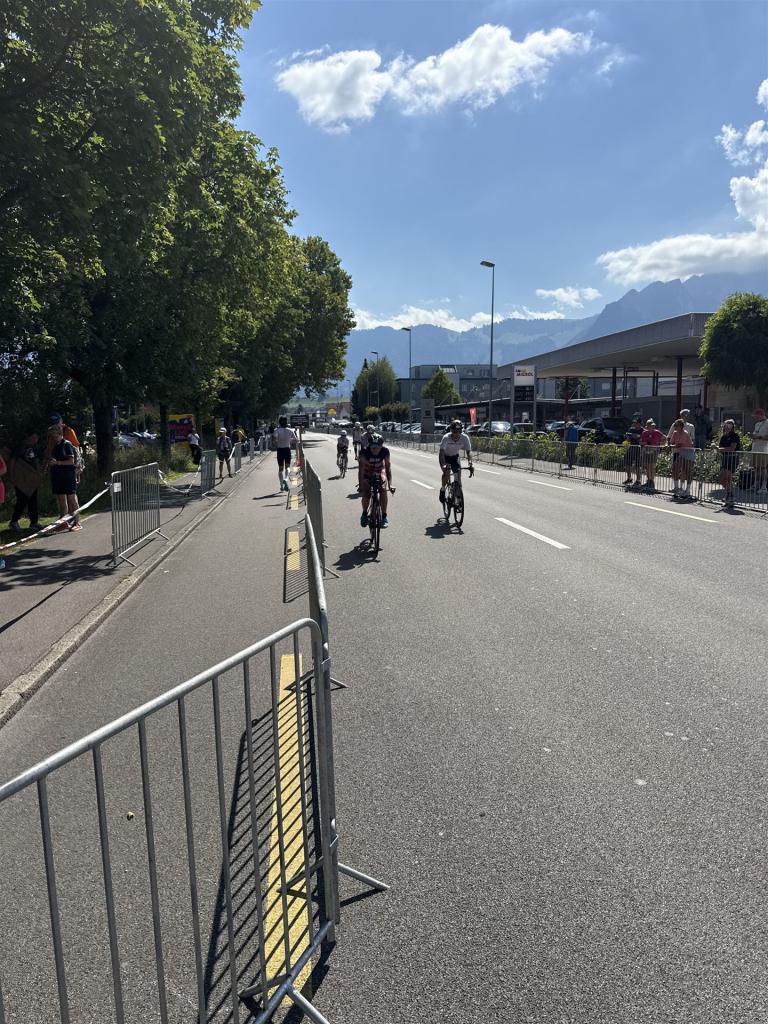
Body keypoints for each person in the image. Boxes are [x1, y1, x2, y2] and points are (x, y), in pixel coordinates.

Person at [47, 424, 81, 530]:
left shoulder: (66, 444)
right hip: (57, 476)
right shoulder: (54, 446)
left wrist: (57, 462)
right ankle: (63, 522)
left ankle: (77, 523)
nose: (52, 438)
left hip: (68, 476)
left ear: (59, 434)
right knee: (61, 501)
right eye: (51, 436)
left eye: (54, 436)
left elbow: (71, 461)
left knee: (72, 499)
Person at [9, 429, 43, 530]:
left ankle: (34, 522)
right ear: (29, 437)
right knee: (22, 500)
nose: (36, 439)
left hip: (32, 478)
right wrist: (12, 476)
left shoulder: (35, 448)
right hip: (22, 479)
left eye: (37, 438)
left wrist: (38, 474)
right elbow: (12, 461)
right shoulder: (20, 447)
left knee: (33, 500)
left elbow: (35, 461)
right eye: (34, 437)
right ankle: (14, 522)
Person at [360, 433, 392, 528]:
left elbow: (388, 468)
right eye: (372, 447)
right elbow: (361, 470)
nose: (375, 449)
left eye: (377, 447)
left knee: (383, 490)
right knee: (366, 492)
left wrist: (390, 485)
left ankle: (384, 516)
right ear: (369, 445)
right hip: (367, 471)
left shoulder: (385, 451)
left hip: (379, 471)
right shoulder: (364, 451)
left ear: (381, 446)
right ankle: (364, 514)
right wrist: (361, 485)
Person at [438, 420, 474, 503]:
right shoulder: (446, 437)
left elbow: (469, 452)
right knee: (447, 473)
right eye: (454, 432)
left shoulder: (464, 438)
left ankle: (458, 498)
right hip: (445, 457)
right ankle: (442, 489)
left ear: (461, 431)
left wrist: (470, 463)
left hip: (455, 457)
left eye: (459, 431)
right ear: (451, 431)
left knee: (458, 477)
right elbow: (441, 452)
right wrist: (443, 464)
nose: (456, 434)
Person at [46, 413, 83, 483]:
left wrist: (78, 467)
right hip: (57, 469)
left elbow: (76, 450)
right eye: (53, 424)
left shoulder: (68, 431)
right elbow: (49, 450)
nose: (55, 426)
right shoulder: (50, 433)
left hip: (69, 467)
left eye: (57, 423)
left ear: (61, 421)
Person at [667, 417, 695, 501]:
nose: (675, 427)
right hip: (682, 452)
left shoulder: (685, 433)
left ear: (681, 426)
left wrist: (669, 447)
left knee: (687, 471)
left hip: (689, 452)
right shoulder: (675, 433)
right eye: (675, 425)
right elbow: (671, 442)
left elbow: (679, 445)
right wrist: (669, 445)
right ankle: (677, 488)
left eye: (677, 425)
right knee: (675, 468)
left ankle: (687, 490)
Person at [718, 419, 741, 509]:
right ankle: (730, 495)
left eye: (730, 425)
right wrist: (718, 449)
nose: (728, 426)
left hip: (732, 458)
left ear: (732, 426)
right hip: (725, 458)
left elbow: (732, 448)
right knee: (722, 479)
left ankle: (730, 498)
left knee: (727, 477)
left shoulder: (735, 436)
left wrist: (721, 449)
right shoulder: (723, 437)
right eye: (726, 425)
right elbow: (720, 448)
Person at [640, 418, 665, 493]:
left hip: (654, 451)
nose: (652, 427)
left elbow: (665, 438)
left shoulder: (657, 432)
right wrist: (645, 443)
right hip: (646, 451)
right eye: (651, 425)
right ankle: (649, 481)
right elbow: (640, 442)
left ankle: (652, 481)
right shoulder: (644, 433)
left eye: (653, 425)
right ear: (647, 426)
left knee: (652, 466)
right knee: (647, 466)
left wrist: (660, 444)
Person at [274, 415, 297, 492]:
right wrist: (289, 440)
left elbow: (274, 440)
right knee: (287, 467)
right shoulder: (290, 430)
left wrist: (278, 441)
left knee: (280, 469)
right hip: (287, 449)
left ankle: (281, 486)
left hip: (280, 450)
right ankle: (286, 479)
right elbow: (295, 439)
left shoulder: (276, 430)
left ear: (279, 422)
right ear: (286, 422)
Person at [750, 408, 768, 494]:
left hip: (763, 449)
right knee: (756, 468)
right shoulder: (757, 424)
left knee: (763, 468)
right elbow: (755, 434)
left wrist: (758, 437)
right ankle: (755, 485)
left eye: (756, 416)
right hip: (755, 448)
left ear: (761, 415)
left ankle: (764, 487)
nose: (755, 418)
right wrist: (753, 436)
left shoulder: (767, 423)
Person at [622, 417, 644, 488]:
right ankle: (629, 478)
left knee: (638, 465)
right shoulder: (631, 429)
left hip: (639, 448)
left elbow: (643, 440)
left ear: (640, 423)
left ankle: (638, 480)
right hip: (631, 447)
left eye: (636, 423)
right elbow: (628, 439)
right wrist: (627, 437)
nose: (634, 424)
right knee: (627, 462)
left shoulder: (643, 431)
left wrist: (638, 438)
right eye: (634, 423)